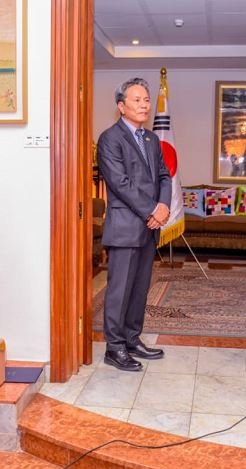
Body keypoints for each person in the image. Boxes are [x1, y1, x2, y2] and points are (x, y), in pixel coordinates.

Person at [96, 77, 171, 371]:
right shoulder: (110, 139)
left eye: (146, 100)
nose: (144, 105)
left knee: (140, 290)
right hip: (125, 227)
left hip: (149, 227)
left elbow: (164, 175)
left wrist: (163, 207)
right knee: (119, 291)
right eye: (137, 100)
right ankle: (114, 348)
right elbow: (121, 184)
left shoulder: (151, 139)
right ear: (121, 106)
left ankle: (132, 339)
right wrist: (153, 208)